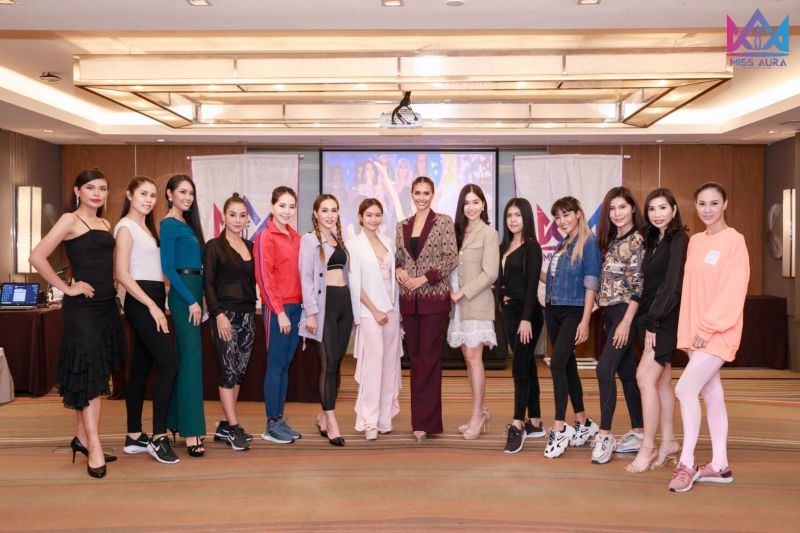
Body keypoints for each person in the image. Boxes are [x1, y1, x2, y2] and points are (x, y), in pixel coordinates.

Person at [29, 169, 126, 478]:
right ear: (77, 191)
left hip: (106, 306)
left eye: (102, 188)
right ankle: (94, 446)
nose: (97, 193)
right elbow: (37, 256)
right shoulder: (69, 220)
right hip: (81, 309)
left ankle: (82, 438)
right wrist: (66, 288)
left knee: (95, 373)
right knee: (90, 374)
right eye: (90, 188)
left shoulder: (105, 223)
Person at [668, 182, 749, 492]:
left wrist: (707, 327)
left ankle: (687, 462)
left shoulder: (735, 240)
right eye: (702, 203)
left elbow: (733, 289)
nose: (707, 209)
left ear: (725, 204)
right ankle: (720, 465)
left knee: (684, 389)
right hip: (696, 333)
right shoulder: (697, 241)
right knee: (712, 393)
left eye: (714, 203)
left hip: (717, 331)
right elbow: (692, 289)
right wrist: (692, 331)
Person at [114, 176, 180, 464]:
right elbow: (122, 274)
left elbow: (152, 269)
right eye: (143, 194)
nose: (149, 200)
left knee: (140, 367)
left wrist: (164, 297)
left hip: (151, 297)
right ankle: (158, 437)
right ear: (130, 195)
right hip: (140, 301)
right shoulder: (125, 227)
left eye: (153, 195)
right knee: (169, 363)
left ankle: (133, 436)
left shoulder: (147, 228)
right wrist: (152, 305)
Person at [626, 188, 688, 473]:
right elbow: (646, 283)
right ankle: (670, 441)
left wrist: (654, 321)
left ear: (674, 210)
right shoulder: (654, 240)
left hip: (664, 319)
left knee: (644, 378)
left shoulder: (678, 239)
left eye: (663, 207)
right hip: (649, 317)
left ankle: (648, 446)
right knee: (662, 382)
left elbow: (673, 284)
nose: (657, 214)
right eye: (652, 209)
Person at [395, 176, 458, 442]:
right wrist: (399, 270)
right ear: (412, 195)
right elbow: (398, 257)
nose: (421, 197)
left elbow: (451, 258)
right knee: (415, 360)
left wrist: (423, 279)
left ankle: (426, 422)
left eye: (426, 193)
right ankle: (418, 420)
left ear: (433, 195)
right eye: (418, 193)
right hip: (409, 302)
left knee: (430, 361)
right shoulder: (401, 225)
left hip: (434, 302)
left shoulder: (443, 221)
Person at [541, 196, 601, 459]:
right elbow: (555, 280)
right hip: (553, 309)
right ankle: (583, 422)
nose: (562, 220)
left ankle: (560, 426)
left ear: (578, 214)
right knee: (567, 366)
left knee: (556, 364)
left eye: (566, 214)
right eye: (557, 216)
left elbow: (591, 283)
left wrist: (585, 320)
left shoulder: (588, 243)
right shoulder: (562, 244)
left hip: (573, 311)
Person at [591, 187, 646, 464]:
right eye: (612, 209)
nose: (617, 213)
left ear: (633, 208)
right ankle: (639, 432)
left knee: (604, 369)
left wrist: (626, 322)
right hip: (611, 313)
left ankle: (605, 434)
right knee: (627, 374)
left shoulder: (637, 240)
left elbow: (638, 285)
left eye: (622, 207)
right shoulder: (613, 240)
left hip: (626, 313)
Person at [300, 194, 354, 447]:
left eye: (334, 210)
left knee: (337, 364)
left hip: (345, 305)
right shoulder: (309, 240)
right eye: (325, 210)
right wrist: (311, 312)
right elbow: (306, 278)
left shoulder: (338, 238)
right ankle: (331, 421)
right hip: (324, 308)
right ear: (315, 213)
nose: (330, 215)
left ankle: (322, 416)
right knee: (329, 364)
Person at [204, 193, 256, 452]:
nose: (237, 219)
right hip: (225, 316)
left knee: (239, 372)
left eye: (242, 215)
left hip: (248, 315)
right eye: (232, 215)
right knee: (228, 371)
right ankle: (234, 428)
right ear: (223, 217)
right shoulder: (214, 246)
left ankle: (225, 425)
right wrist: (218, 315)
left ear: (247, 219)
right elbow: (208, 284)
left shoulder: (251, 246)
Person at [347, 198, 402, 440]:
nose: (373, 219)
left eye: (378, 214)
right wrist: (375, 310)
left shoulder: (388, 242)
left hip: (392, 311)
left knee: (390, 365)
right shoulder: (353, 245)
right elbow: (354, 284)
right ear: (360, 217)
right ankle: (369, 421)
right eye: (369, 215)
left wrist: (393, 310)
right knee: (373, 365)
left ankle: (384, 419)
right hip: (369, 312)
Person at [447, 184, 499, 440]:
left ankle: (477, 415)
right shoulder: (457, 232)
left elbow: (490, 273)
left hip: (476, 302)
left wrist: (462, 292)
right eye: (467, 202)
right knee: (468, 357)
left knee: (474, 357)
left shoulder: (489, 233)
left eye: (476, 202)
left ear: (483, 204)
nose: (471, 207)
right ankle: (482, 409)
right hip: (457, 305)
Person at [160, 174, 206, 457]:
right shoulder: (168, 224)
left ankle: (177, 421)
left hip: (194, 290)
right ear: (170, 194)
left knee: (186, 356)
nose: (188, 197)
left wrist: (201, 298)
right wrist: (190, 300)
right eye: (182, 192)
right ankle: (191, 430)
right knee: (191, 360)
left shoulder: (187, 224)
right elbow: (167, 267)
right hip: (183, 293)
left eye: (191, 193)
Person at [254, 186, 303, 445]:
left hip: (296, 308)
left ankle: (279, 418)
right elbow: (264, 278)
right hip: (278, 310)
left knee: (285, 365)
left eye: (291, 206)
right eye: (282, 205)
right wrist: (279, 311)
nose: (287, 211)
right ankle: (271, 424)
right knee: (275, 365)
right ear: (272, 206)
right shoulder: (266, 236)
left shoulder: (296, 237)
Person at [498, 198, 545, 454]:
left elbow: (531, 286)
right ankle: (535, 422)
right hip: (510, 313)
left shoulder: (532, 247)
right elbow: (502, 280)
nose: (513, 219)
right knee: (527, 365)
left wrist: (526, 319)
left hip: (528, 315)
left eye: (517, 215)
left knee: (519, 368)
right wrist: (502, 297)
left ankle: (518, 424)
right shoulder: (505, 246)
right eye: (509, 215)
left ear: (526, 217)